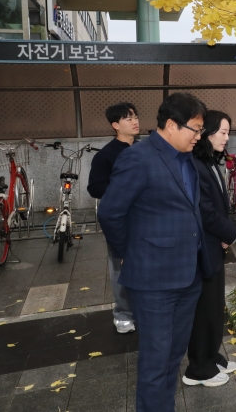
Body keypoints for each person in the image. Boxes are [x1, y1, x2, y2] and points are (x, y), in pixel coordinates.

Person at [98, 93, 211, 412]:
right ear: (172, 125)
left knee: (174, 356)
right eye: (196, 128)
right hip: (153, 281)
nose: (199, 136)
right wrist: (125, 253)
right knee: (156, 361)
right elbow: (110, 212)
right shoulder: (139, 157)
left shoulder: (186, 156)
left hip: (188, 276)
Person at [183, 111, 236, 387]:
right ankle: (198, 369)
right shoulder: (194, 164)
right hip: (202, 249)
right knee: (204, 309)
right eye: (223, 132)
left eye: (228, 132)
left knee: (215, 306)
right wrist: (231, 233)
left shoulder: (208, 161)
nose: (227, 137)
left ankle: (211, 356)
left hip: (213, 247)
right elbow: (204, 210)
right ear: (207, 133)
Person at [87, 102, 140, 334]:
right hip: (120, 219)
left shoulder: (145, 149)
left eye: (136, 116)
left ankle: (142, 309)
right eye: (128, 119)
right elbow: (95, 187)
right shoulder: (106, 155)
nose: (135, 121)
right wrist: (123, 189)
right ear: (115, 125)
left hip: (145, 217)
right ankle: (123, 314)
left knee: (145, 265)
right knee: (120, 265)